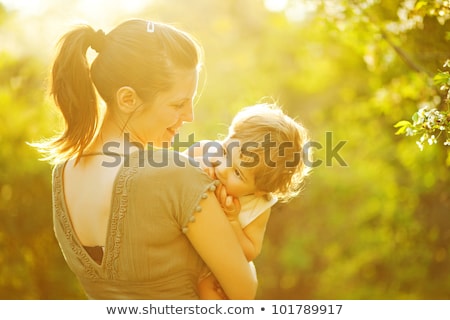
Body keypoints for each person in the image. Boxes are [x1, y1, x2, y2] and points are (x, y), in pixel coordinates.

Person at [33, 18, 257, 299]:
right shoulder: (176, 174)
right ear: (127, 99)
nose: (190, 116)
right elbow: (244, 291)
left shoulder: (63, 174)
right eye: (178, 103)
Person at [185, 102, 311, 299]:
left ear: (261, 190)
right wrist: (198, 167)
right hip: (182, 241)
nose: (222, 168)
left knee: (210, 290)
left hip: (209, 266)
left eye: (237, 173)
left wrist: (233, 221)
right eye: (226, 152)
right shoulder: (207, 153)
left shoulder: (257, 206)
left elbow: (250, 252)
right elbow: (177, 166)